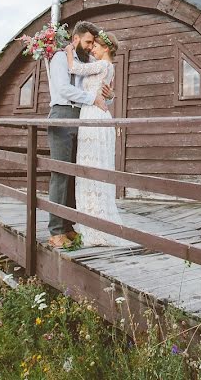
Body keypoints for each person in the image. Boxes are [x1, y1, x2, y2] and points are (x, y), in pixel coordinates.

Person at [46, 21, 112, 248]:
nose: (91, 46)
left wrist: (108, 95)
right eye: (87, 42)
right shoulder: (60, 59)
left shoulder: (89, 62)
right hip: (62, 115)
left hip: (83, 118)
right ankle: (55, 230)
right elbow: (64, 89)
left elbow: (98, 89)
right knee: (61, 173)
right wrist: (92, 99)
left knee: (76, 173)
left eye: (93, 43)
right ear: (76, 39)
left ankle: (68, 226)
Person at [65, 30, 133, 247]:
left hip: (93, 115)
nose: (92, 48)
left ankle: (96, 222)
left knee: (91, 164)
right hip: (94, 113)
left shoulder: (104, 65)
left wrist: (67, 49)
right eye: (91, 44)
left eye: (95, 45)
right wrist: (111, 96)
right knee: (91, 163)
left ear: (105, 48)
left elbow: (74, 67)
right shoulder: (106, 66)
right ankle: (92, 218)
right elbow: (105, 91)